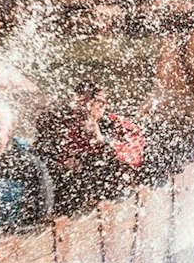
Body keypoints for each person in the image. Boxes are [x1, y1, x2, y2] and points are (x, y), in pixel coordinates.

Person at [42, 84, 144, 212]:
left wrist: (103, 141)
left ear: (101, 105)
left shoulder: (120, 126)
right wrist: (69, 163)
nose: (78, 111)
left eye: (84, 105)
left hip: (120, 196)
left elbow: (135, 157)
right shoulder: (73, 130)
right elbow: (64, 158)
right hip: (86, 197)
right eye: (77, 105)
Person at [0, 120, 55, 232]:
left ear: (8, 134)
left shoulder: (25, 161)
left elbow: (45, 193)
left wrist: (38, 220)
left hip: (17, 227)